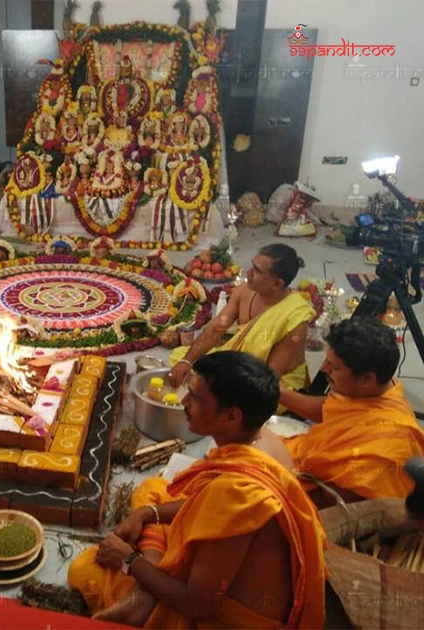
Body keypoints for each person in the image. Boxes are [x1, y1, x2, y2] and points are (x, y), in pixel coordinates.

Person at [68, 351, 326, 628]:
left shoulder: (238, 491)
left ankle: (142, 601)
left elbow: (198, 605)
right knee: (155, 489)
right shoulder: (258, 444)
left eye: (196, 398)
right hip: (219, 570)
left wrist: (128, 559)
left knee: (85, 569)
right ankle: (146, 593)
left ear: (232, 416)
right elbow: (206, 508)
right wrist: (146, 513)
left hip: (221, 619)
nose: (184, 402)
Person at [279, 317, 424, 506]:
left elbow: (332, 504)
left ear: (367, 379)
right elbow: (334, 409)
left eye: (334, 367)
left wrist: (270, 469)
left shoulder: (386, 447)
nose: (323, 368)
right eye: (326, 360)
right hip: (299, 458)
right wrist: (278, 393)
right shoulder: (379, 387)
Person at [169, 244, 313, 393]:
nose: (248, 272)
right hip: (240, 363)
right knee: (180, 358)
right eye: (252, 265)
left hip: (273, 382)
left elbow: (270, 377)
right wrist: (187, 361)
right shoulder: (244, 291)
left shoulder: (295, 317)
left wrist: (222, 383)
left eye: (257, 271)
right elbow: (215, 330)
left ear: (277, 284)